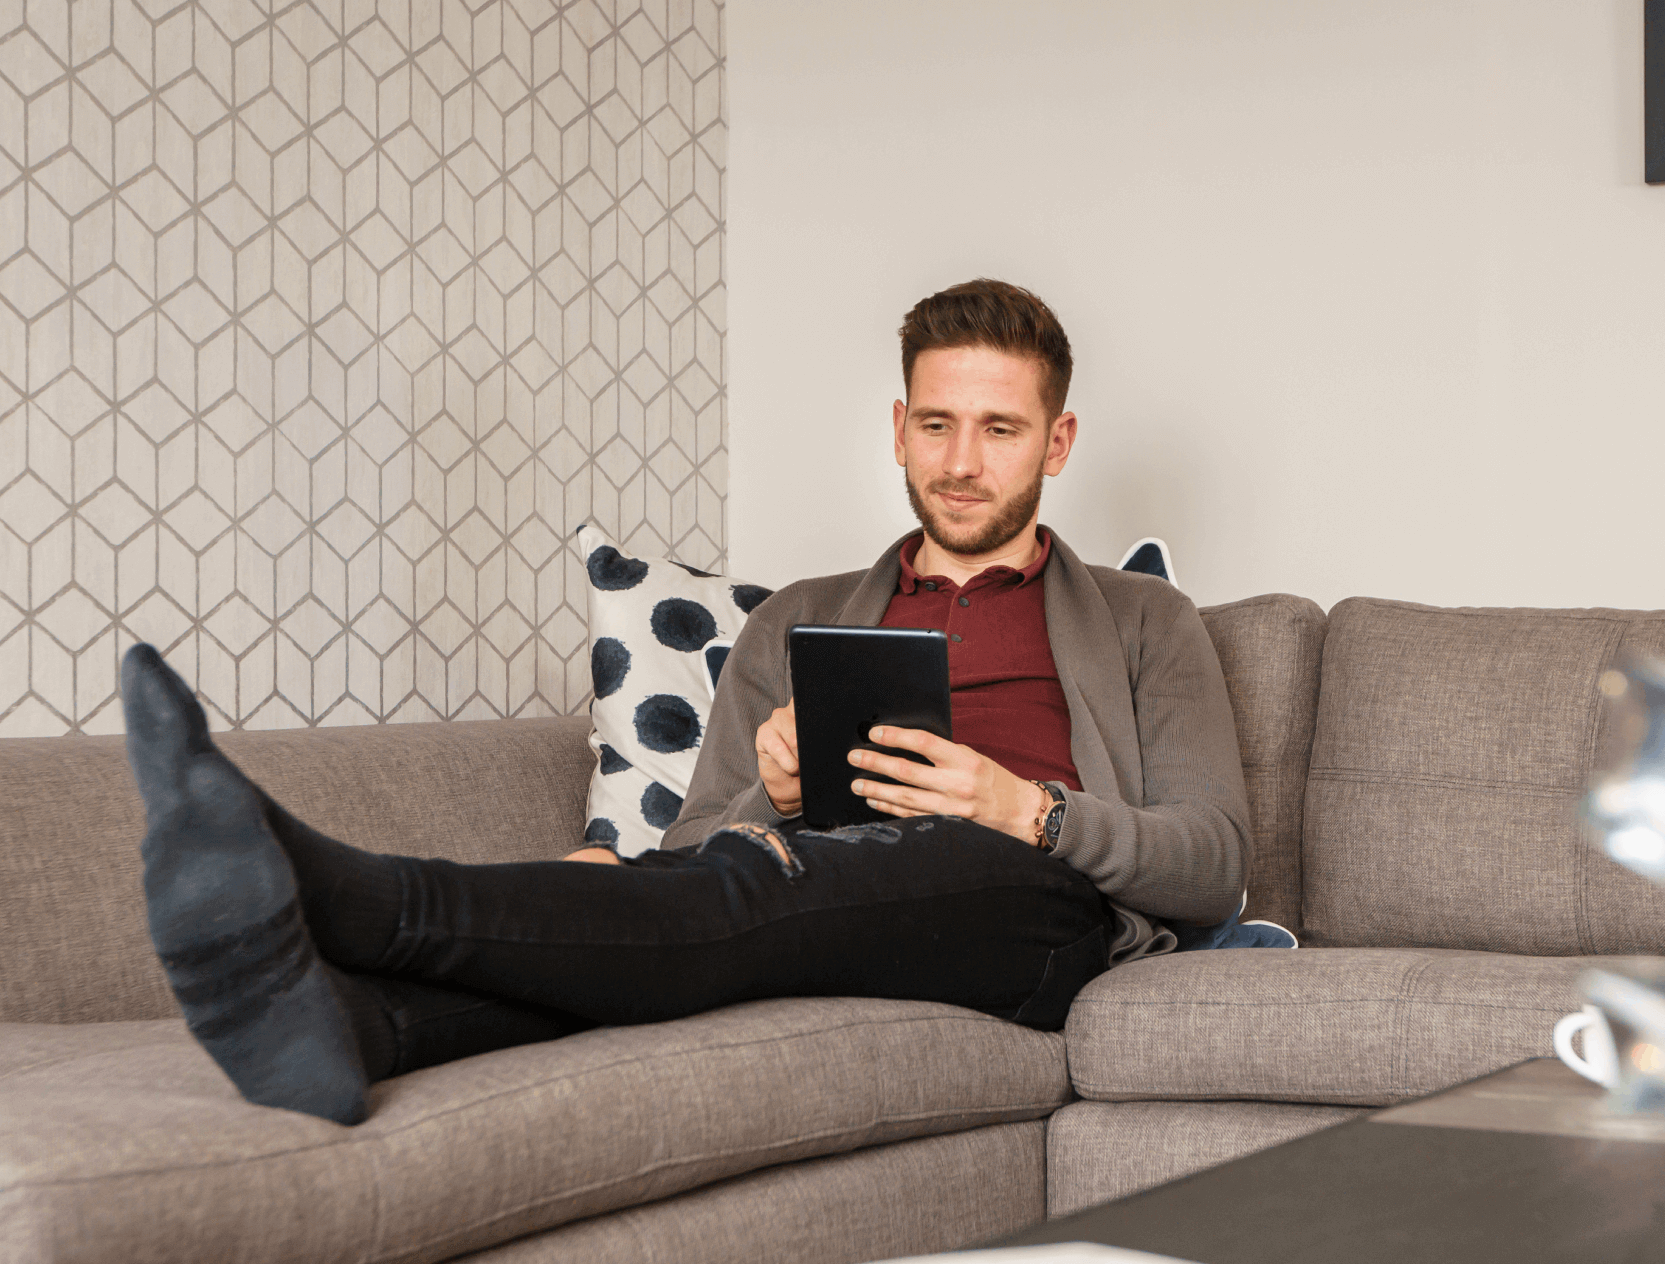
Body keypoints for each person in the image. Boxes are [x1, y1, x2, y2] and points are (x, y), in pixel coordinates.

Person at [121, 279, 1250, 1126]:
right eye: (939, 425)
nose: (962, 462)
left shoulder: (1145, 619)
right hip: (824, 891)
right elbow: (699, 850)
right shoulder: (795, 620)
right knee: (714, 919)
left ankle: (354, 895)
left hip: (1030, 916)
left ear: (1056, 443)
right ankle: (358, 1031)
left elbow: (1212, 866)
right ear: (899, 426)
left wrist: (1027, 810)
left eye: (1000, 430)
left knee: (773, 889)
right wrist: (770, 788)